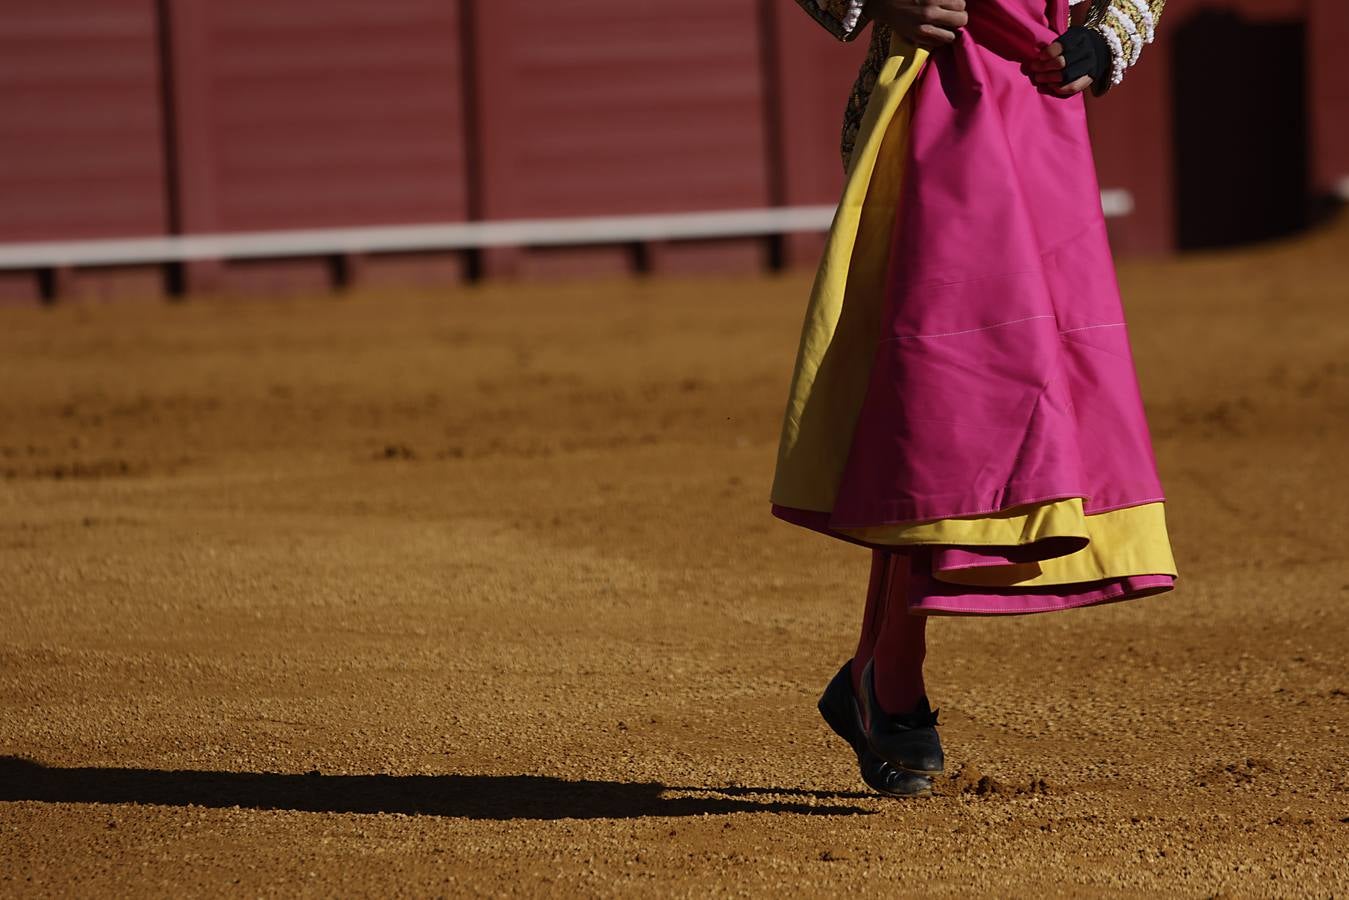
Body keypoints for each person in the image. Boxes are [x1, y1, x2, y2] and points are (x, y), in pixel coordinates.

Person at [774, 0, 1175, 797]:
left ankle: (883, 682)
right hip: (926, 96)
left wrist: (1108, 34)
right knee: (946, 388)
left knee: (952, 393)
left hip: (1039, 102)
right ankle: (888, 683)